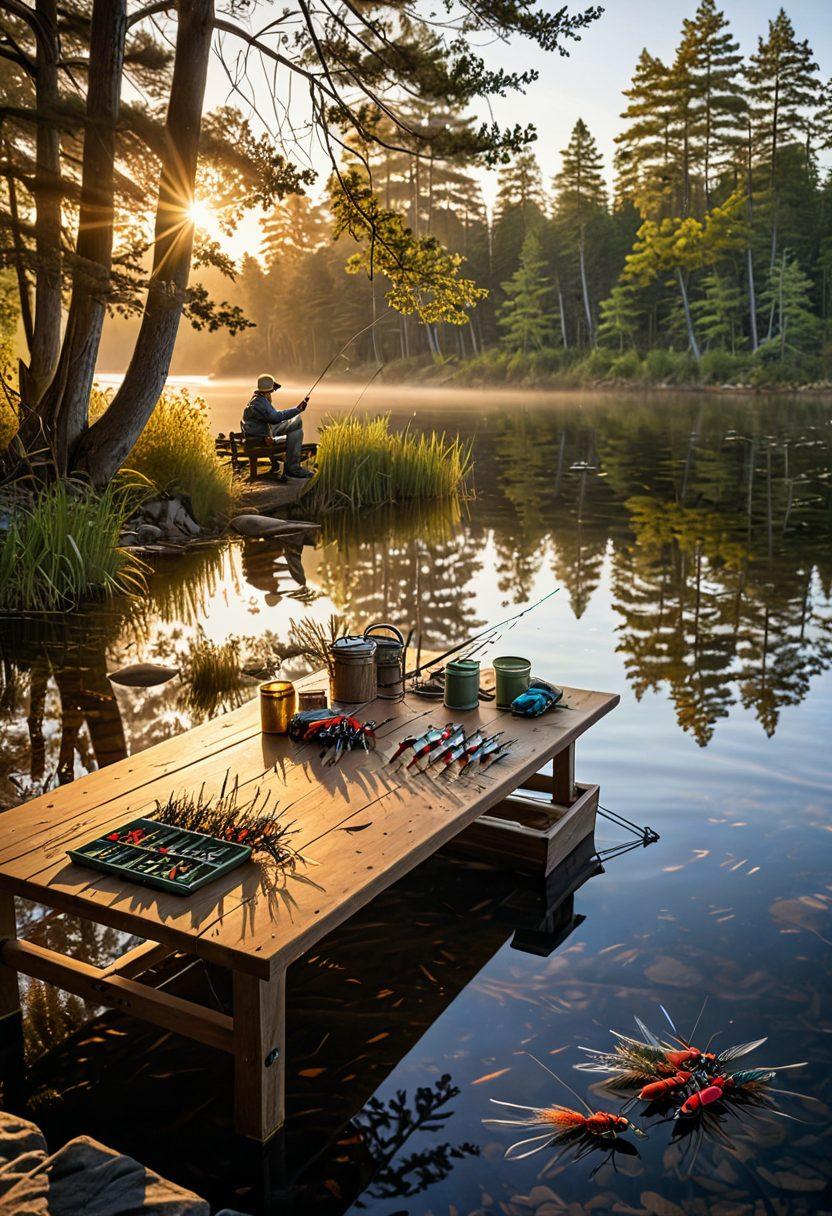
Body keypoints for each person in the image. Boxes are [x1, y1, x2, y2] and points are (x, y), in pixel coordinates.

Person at [241, 373, 314, 479]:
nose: (273, 392)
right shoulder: (260, 403)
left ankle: (292, 466)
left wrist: (295, 411)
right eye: (272, 390)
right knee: (297, 424)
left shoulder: (258, 399)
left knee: (296, 429)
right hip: (262, 438)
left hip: (262, 432)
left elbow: (272, 415)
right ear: (269, 390)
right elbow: (275, 418)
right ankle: (293, 468)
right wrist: (298, 410)